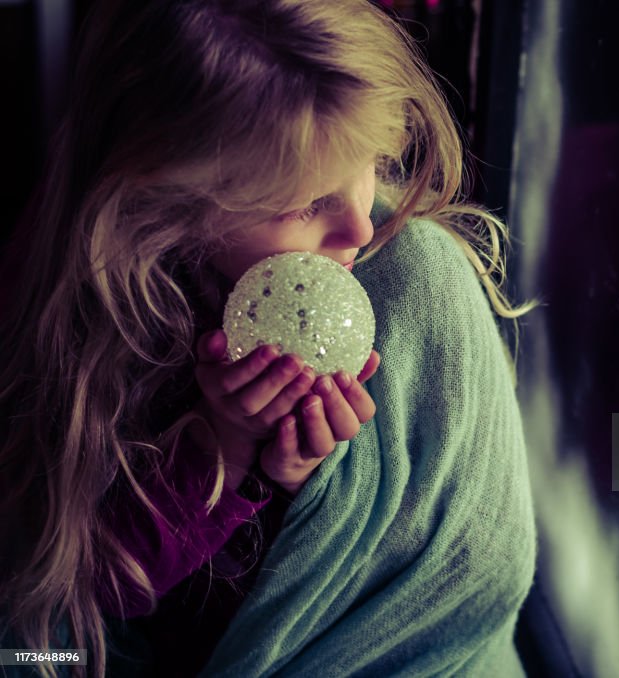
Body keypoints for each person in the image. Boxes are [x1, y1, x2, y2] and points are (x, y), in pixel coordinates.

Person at [0, 1, 539, 676]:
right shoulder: (90, 326)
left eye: (370, 163)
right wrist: (222, 452)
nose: (361, 228)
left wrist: (298, 480)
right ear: (167, 206)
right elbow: (74, 605)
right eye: (305, 205)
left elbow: (470, 564)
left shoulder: (415, 280)